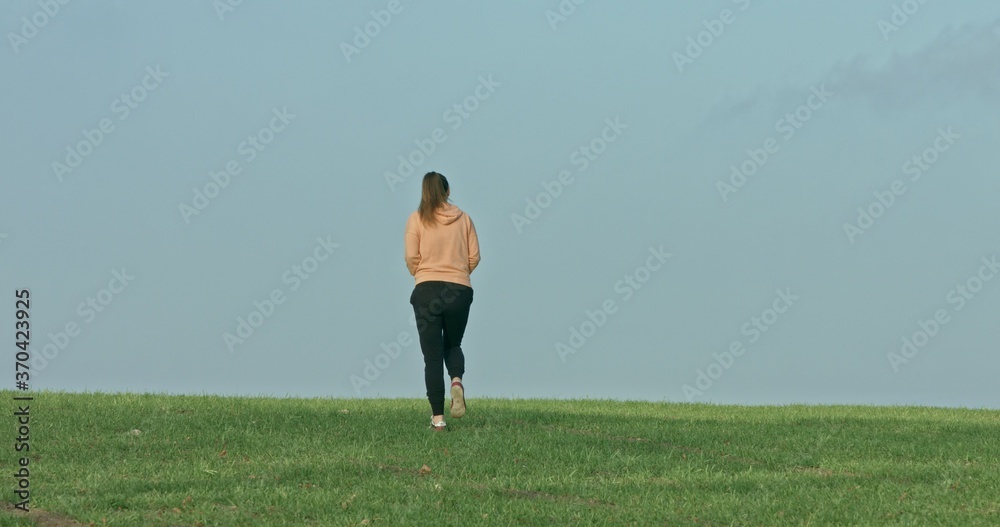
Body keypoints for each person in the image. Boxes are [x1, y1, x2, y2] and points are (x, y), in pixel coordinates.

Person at [404, 172, 480, 431]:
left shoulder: (416, 220)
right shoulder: (465, 219)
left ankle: (438, 420)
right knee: (453, 343)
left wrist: (423, 273)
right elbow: (474, 257)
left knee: (432, 356)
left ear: (424, 193)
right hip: (459, 290)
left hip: (426, 289)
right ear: (447, 191)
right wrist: (458, 273)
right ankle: (456, 381)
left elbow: (411, 257)